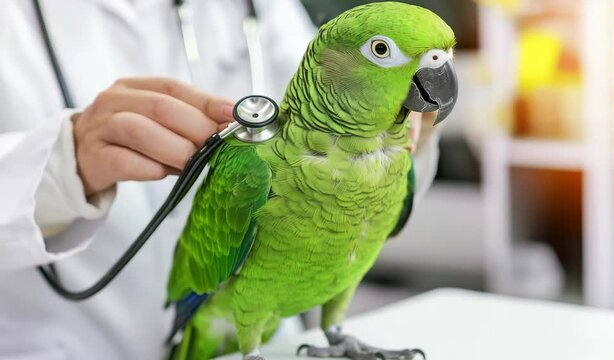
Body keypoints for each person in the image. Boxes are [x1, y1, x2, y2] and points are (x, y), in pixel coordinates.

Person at [0, 1, 442, 359]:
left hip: (275, 331)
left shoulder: (264, 8)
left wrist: (399, 140)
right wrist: (61, 163)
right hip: (67, 341)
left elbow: (359, 199)